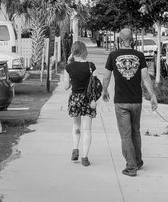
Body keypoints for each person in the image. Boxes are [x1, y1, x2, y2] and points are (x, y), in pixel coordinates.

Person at [99, 27, 158, 177]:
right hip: (136, 101)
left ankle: (131, 167)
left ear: (120, 40)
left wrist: (104, 90)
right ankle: (137, 161)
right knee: (135, 132)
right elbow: (145, 77)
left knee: (126, 135)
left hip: (121, 101)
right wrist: (152, 95)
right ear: (132, 40)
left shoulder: (113, 55)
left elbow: (106, 76)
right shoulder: (139, 55)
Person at [63, 40, 97, 166]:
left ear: (73, 52)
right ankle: (85, 158)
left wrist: (70, 65)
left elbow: (66, 86)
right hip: (88, 99)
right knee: (87, 129)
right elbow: (95, 86)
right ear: (84, 51)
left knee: (76, 126)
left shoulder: (69, 68)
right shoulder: (91, 66)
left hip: (75, 99)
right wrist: (94, 100)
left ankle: (75, 149)